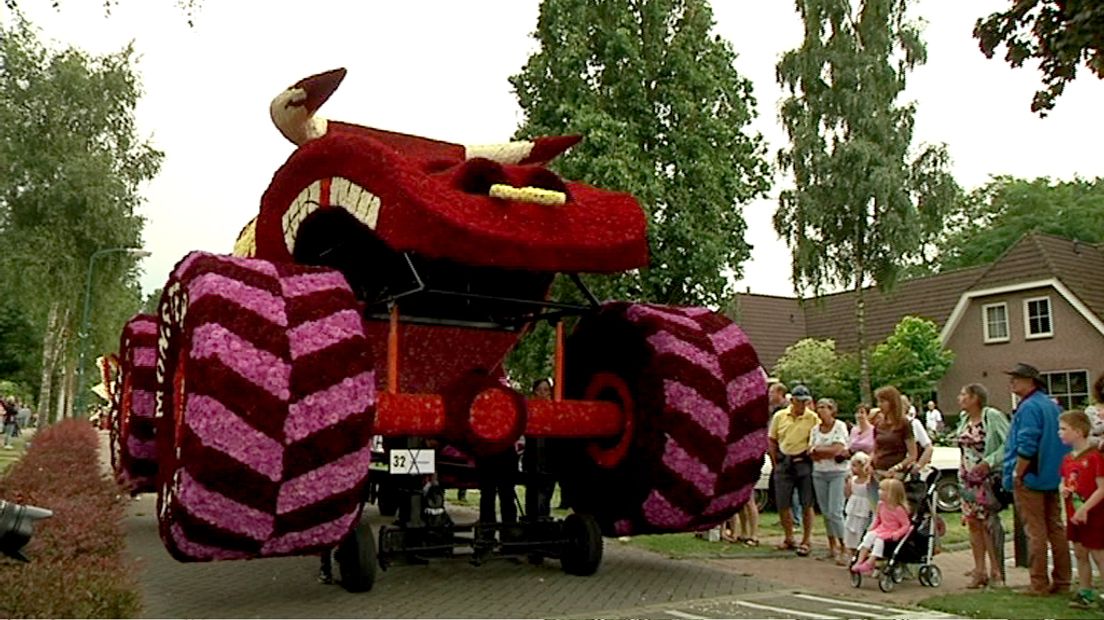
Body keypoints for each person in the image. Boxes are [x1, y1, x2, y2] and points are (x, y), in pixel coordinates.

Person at [1002, 362, 1071, 596]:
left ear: (1030, 381)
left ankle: (1038, 582)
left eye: (1017, 378)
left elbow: (1027, 443)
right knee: (1055, 527)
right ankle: (1063, 581)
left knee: (1036, 530)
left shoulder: (1029, 407)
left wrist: (1017, 472)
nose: (1012, 382)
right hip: (1051, 474)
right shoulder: (1051, 405)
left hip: (1031, 476)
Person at [955, 383, 1010, 589]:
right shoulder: (963, 420)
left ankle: (997, 571)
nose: (959, 398)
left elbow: (1009, 443)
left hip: (987, 480)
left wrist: (990, 461)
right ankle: (979, 570)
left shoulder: (991, 416)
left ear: (974, 398)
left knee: (988, 524)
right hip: (968, 479)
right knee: (973, 523)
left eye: (963, 394)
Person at [1058, 410, 1104, 610]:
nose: (1060, 433)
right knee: (1080, 553)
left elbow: (1102, 487)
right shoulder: (1067, 459)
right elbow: (1063, 481)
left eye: (1063, 429)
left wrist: (1086, 508)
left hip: (1094, 514)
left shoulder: (1095, 457)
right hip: (1073, 513)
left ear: (1077, 431)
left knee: (1098, 554)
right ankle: (1085, 591)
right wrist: (1064, 490)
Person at [768, 384, 818, 557]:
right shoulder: (780, 416)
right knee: (783, 503)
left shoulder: (812, 418)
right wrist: (776, 462)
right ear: (793, 401)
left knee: (807, 502)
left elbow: (817, 439)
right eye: (799, 401)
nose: (802, 405)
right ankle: (789, 537)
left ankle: (806, 539)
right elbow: (772, 439)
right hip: (784, 461)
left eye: (805, 401)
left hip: (803, 461)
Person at [809, 398, 849, 564]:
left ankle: (845, 546)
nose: (821, 410)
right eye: (819, 407)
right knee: (825, 512)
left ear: (832, 410)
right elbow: (810, 451)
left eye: (825, 407)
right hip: (819, 473)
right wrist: (822, 451)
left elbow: (838, 449)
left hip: (837, 473)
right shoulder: (815, 430)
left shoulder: (839, 426)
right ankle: (832, 545)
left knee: (835, 511)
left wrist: (821, 451)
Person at [851, 477, 911, 575]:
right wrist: (872, 527)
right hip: (881, 529)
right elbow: (878, 519)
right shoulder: (881, 505)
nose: (879, 492)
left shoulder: (899, 509)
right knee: (868, 537)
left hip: (891, 531)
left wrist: (898, 533)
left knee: (879, 540)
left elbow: (906, 525)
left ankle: (871, 562)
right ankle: (860, 561)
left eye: (883, 490)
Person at [870, 386, 918, 505]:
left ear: (892, 402)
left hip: (895, 474)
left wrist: (897, 467)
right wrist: (869, 462)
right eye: (878, 401)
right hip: (877, 472)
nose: (879, 405)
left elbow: (912, 455)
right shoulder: (879, 424)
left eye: (883, 401)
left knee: (893, 509)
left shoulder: (904, 424)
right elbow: (875, 448)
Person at [843, 452, 874, 565]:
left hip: (864, 508)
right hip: (853, 507)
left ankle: (862, 556)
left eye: (855, 465)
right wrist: (847, 483)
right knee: (850, 530)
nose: (853, 468)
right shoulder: (853, 480)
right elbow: (847, 494)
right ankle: (852, 554)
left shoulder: (869, 481)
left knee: (861, 530)